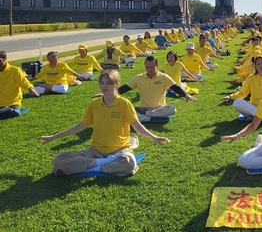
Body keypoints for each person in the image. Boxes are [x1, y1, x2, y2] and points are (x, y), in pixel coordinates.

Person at [37, 70, 170, 176]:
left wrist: (154, 137)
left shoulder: (124, 104)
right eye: (102, 83)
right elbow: (80, 126)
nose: (105, 86)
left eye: (109, 83)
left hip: (119, 150)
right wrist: (54, 136)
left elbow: (137, 126)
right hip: (96, 151)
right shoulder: (94, 104)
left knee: (128, 163)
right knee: (59, 161)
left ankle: (93, 167)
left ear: (116, 84)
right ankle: (103, 164)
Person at [118, 56, 196, 123]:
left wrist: (186, 95)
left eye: (152, 67)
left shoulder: (163, 77)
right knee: (127, 111)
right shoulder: (139, 78)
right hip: (143, 108)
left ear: (157, 66)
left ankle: (147, 116)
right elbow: (125, 88)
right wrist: (112, 93)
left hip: (160, 109)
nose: (149, 69)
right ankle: (148, 118)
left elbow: (175, 87)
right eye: (147, 67)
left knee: (172, 109)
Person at [0, 50, 40, 119]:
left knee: (15, 113)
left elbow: (24, 82)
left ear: (5, 58)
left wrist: (31, 89)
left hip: (12, 104)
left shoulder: (15, 70)